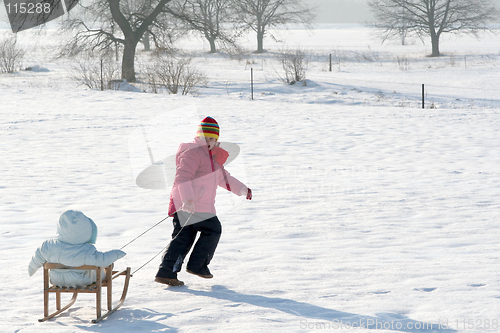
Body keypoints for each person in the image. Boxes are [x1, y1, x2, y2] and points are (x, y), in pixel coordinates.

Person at [155, 116, 252, 287]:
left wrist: (242, 189)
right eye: (204, 137)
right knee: (212, 229)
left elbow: (224, 178)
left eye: (211, 139)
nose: (208, 141)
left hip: (200, 206)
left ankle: (167, 272)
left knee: (183, 238)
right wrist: (188, 199)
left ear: (216, 140)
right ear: (198, 137)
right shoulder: (192, 153)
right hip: (190, 205)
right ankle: (197, 265)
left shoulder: (212, 158)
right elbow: (182, 178)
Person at [28, 210, 126, 287]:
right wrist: (116, 254)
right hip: (80, 280)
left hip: (56, 280)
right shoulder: (87, 249)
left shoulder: (49, 245)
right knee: (102, 268)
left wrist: (31, 268)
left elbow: (37, 258)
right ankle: (105, 274)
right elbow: (102, 259)